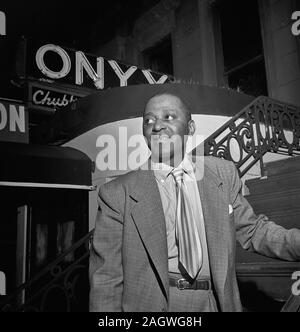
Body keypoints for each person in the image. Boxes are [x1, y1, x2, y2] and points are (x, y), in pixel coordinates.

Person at [89, 91, 300, 312]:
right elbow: (106, 279)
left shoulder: (221, 173)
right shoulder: (117, 193)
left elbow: (254, 231)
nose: (157, 126)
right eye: (149, 120)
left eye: (168, 117)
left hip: (216, 302)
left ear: (190, 128)